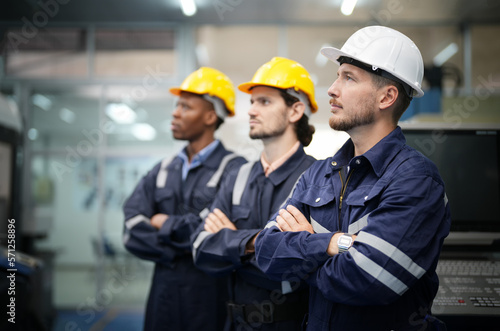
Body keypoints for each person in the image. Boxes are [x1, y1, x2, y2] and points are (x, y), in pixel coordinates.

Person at [255, 26, 452, 331]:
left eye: (348, 78)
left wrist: (305, 245)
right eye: (337, 76)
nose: (332, 89)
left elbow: (367, 279)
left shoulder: (416, 181)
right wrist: (337, 243)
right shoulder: (318, 174)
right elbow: (267, 251)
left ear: (387, 96)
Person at [191, 57, 318, 331]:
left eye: (264, 102)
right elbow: (200, 249)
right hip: (235, 324)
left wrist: (230, 242)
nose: (251, 110)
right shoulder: (237, 175)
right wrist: (262, 242)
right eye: (251, 102)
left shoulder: (318, 178)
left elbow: (303, 266)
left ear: (295, 111)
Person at [122, 67, 247, 331]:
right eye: (177, 105)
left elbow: (217, 235)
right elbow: (131, 228)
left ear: (210, 116)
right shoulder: (163, 169)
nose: (175, 113)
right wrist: (188, 248)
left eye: (186, 107)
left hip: (210, 300)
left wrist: (162, 223)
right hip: (162, 297)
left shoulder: (235, 169)